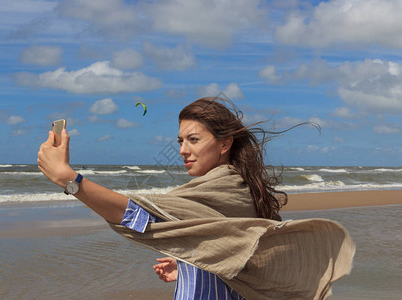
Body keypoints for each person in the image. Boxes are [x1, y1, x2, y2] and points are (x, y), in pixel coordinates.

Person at [38, 97, 354, 300]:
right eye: (180, 141)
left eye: (193, 139)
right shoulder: (234, 189)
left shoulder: (227, 188)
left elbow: (141, 219)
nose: (182, 150)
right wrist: (192, 266)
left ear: (224, 143)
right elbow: (237, 252)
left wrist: (69, 179)